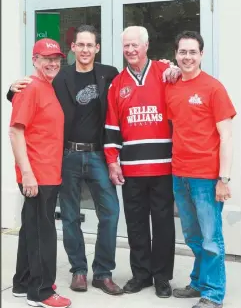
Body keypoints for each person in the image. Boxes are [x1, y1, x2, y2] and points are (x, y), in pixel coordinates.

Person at [7, 25, 123, 296]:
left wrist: (166, 67)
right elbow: (29, 95)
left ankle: (103, 273)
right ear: (72, 48)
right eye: (79, 45)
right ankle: (79, 270)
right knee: (70, 216)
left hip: (97, 154)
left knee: (111, 212)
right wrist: (11, 89)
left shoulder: (109, 74)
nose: (84, 50)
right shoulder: (58, 75)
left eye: (89, 45)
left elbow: (134, 89)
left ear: (97, 48)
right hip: (66, 155)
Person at [103, 26, 180, 299]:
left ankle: (162, 277)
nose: (131, 50)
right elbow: (112, 126)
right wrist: (113, 162)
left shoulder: (166, 72)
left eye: (135, 45)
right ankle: (141, 274)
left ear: (146, 46)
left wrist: (176, 68)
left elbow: (185, 82)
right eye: (126, 46)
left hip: (163, 166)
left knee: (162, 224)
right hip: (132, 168)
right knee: (135, 223)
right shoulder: (117, 83)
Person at [165, 30, 236, 308]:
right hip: (179, 173)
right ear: (176, 54)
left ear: (202, 54)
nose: (187, 57)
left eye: (193, 52)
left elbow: (226, 136)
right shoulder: (171, 86)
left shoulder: (213, 88)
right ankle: (197, 282)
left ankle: (213, 293)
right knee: (193, 237)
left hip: (207, 178)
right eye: (182, 52)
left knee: (211, 238)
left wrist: (223, 179)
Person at [9, 38, 71, 308]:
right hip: (38, 174)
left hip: (47, 171)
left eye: (56, 58)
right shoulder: (31, 88)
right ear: (35, 60)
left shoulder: (47, 87)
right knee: (42, 233)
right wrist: (28, 173)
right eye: (46, 58)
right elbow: (15, 131)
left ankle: (23, 282)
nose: (52, 62)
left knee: (31, 229)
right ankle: (41, 291)